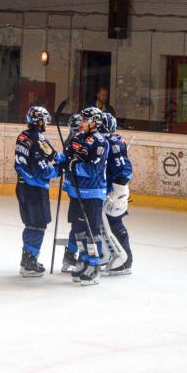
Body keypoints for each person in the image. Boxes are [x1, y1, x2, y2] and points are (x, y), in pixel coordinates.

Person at [14, 106, 65, 277]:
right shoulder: (38, 138)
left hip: (21, 187)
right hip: (34, 189)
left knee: (30, 224)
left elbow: (50, 152)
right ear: (39, 121)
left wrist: (60, 158)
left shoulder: (23, 136)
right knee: (39, 225)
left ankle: (27, 258)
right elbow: (41, 170)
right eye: (45, 120)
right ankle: (30, 262)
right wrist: (58, 170)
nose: (46, 124)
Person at [63, 107, 109, 286]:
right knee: (78, 229)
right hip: (77, 191)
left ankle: (94, 265)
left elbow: (93, 169)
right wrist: (62, 160)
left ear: (94, 122)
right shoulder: (77, 138)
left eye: (85, 120)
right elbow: (67, 158)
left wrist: (74, 166)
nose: (81, 122)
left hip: (93, 193)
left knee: (92, 232)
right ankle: (83, 260)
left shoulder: (100, 142)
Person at [100, 113, 134, 275]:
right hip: (107, 189)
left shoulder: (113, 143)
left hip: (115, 191)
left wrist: (118, 191)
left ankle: (125, 261)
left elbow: (124, 168)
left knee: (114, 223)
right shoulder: (106, 141)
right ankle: (111, 255)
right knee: (104, 225)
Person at [61, 114, 83, 273]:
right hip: (78, 187)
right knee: (81, 222)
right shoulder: (76, 141)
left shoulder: (72, 139)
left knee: (78, 222)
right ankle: (75, 253)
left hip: (75, 187)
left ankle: (71, 253)